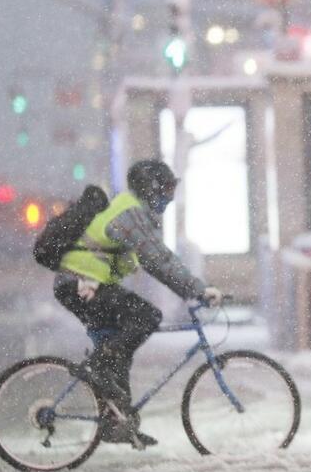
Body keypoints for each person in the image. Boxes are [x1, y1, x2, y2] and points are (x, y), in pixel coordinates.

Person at [54, 160, 222, 448]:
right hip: (80, 284)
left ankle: (118, 422)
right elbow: (158, 260)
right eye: (166, 190)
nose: (169, 198)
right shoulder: (131, 213)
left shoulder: (133, 209)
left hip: (84, 285)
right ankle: (98, 367)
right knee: (146, 316)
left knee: (119, 352)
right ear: (151, 188)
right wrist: (198, 289)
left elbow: (151, 260)